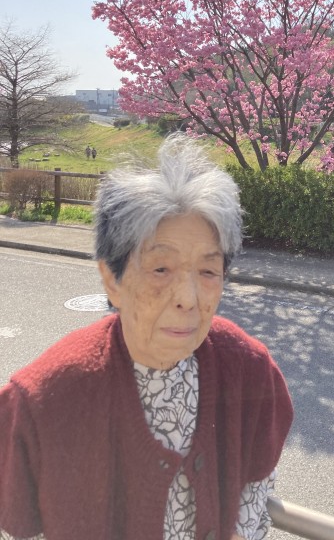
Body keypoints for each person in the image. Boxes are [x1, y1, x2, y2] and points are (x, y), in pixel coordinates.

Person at [0, 134, 293, 540]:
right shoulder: (43, 398)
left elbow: (257, 485)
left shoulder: (249, 367)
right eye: (160, 269)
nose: (188, 298)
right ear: (112, 279)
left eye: (208, 271)